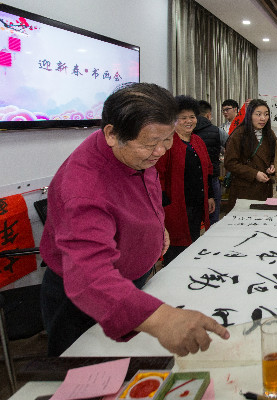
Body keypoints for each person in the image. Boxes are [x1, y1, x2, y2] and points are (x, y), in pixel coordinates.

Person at [40, 83, 229, 357]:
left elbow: (144, 192)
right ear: (112, 134)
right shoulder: (84, 188)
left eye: (168, 139)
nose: (161, 151)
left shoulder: (133, 152)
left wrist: (157, 225)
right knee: (95, 373)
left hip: (135, 280)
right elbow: (90, 277)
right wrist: (163, 319)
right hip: (93, 299)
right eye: (151, 144)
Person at [156, 96, 214, 266]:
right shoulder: (167, 142)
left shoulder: (198, 141)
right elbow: (158, 175)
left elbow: (208, 170)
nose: (189, 121)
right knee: (176, 248)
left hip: (196, 205)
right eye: (183, 117)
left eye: (192, 117)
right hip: (175, 207)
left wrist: (210, 195)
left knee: (193, 243)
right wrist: (163, 202)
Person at [224, 99, 276, 208]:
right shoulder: (239, 134)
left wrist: (272, 165)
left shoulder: (269, 134)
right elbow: (230, 163)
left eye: (266, 114)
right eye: (258, 114)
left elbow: (275, 156)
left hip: (264, 189)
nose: (263, 118)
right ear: (249, 115)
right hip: (244, 190)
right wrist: (254, 174)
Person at [194, 100, 223, 225]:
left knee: (194, 216)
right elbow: (231, 147)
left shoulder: (187, 131)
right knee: (213, 213)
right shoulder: (217, 131)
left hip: (191, 179)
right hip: (212, 177)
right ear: (209, 115)